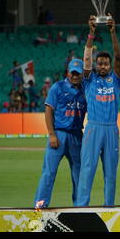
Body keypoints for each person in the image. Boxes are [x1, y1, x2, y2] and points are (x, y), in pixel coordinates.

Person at [75, 14, 120, 207]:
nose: (102, 65)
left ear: (110, 65)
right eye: (100, 63)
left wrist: (113, 32)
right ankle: (81, 207)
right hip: (93, 128)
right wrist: (91, 33)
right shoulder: (89, 79)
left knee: (111, 173)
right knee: (87, 170)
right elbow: (86, 58)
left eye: (105, 63)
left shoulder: (116, 78)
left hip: (111, 129)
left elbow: (118, 56)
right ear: (96, 65)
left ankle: (109, 208)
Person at [34, 59, 87, 209]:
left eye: (78, 73)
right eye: (73, 73)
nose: (75, 76)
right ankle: (40, 204)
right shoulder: (58, 87)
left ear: (82, 74)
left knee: (79, 175)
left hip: (77, 136)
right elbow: (48, 110)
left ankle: (79, 206)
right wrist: (51, 134)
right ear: (68, 73)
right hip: (59, 135)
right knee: (49, 172)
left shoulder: (85, 89)